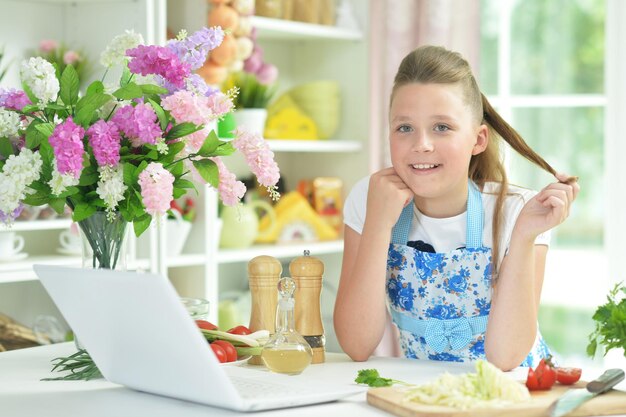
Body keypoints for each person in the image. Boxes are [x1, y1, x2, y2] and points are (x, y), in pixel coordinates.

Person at [333, 45, 579, 371]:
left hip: (516, 390)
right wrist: (378, 224)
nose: (421, 144)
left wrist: (523, 237)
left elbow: (506, 358)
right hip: (428, 394)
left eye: (442, 127)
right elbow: (356, 345)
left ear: (478, 140)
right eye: (404, 127)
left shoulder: (517, 211)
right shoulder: (370, 198)